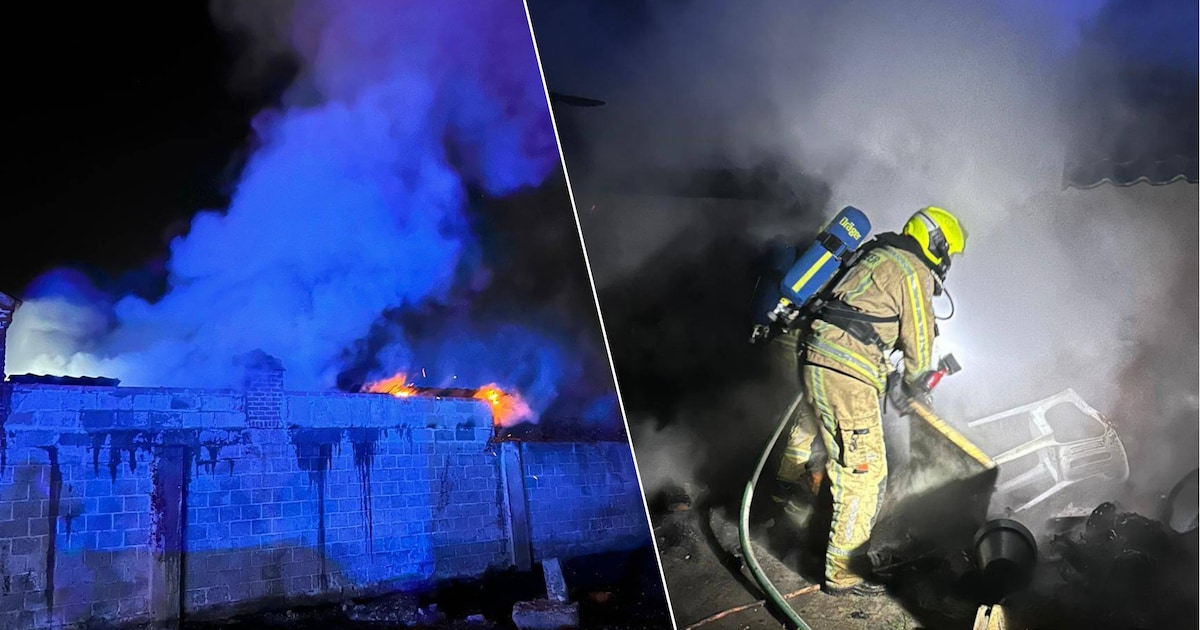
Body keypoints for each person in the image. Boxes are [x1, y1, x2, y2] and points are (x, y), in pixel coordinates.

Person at [773, 206, 967, 596]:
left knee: (813, 427)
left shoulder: (873, 254)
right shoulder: (913, 270)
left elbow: (861, 316)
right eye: (948, 253)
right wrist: (917, 386)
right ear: (937, 244)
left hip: (815, 354)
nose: (946, 263)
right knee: (864, 472)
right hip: (848, 369)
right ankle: (843, 573)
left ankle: (785, 495)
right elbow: (919, 347)